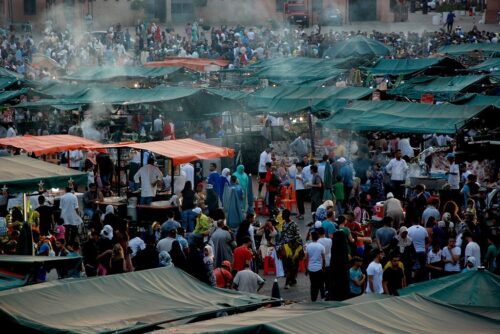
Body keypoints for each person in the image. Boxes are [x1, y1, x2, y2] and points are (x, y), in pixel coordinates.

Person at [280, 209, 303, 289]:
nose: (282, 216)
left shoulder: (294, 224)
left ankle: (288, 281)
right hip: (285, 247)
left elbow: (298, 236)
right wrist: (280, 245)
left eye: (283, 214)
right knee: (287, 265)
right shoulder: (283, 224)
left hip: (292, 248)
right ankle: (292, 279)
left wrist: (295, 248)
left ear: (287, 215)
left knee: (290, 265)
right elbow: (282, 236)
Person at [305, 231, 326, 301]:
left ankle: (313, 299)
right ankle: (323, 297)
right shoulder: (321, 246)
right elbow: (323, 259)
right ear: (318, 237)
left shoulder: (308, 246)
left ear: (311, 237)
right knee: (321, 284)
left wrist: (306, 269)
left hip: (311, 268)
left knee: (313, 284)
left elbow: (306, 258)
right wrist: (323, 268)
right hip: (319, 268)